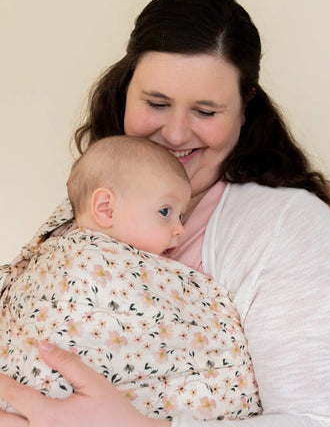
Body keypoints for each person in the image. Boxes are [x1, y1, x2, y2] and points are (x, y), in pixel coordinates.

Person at [0, 0, 330, 427]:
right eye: (156, 103)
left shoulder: (289, 231)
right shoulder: (89, 215)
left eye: (205, 111)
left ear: (244, 109)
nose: (176, 134)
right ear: (126, 92)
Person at [0, 135, 261, 420]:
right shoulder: (69, 259)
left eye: (181, 217)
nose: (179, 230)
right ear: (106, 208)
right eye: (165, 212)